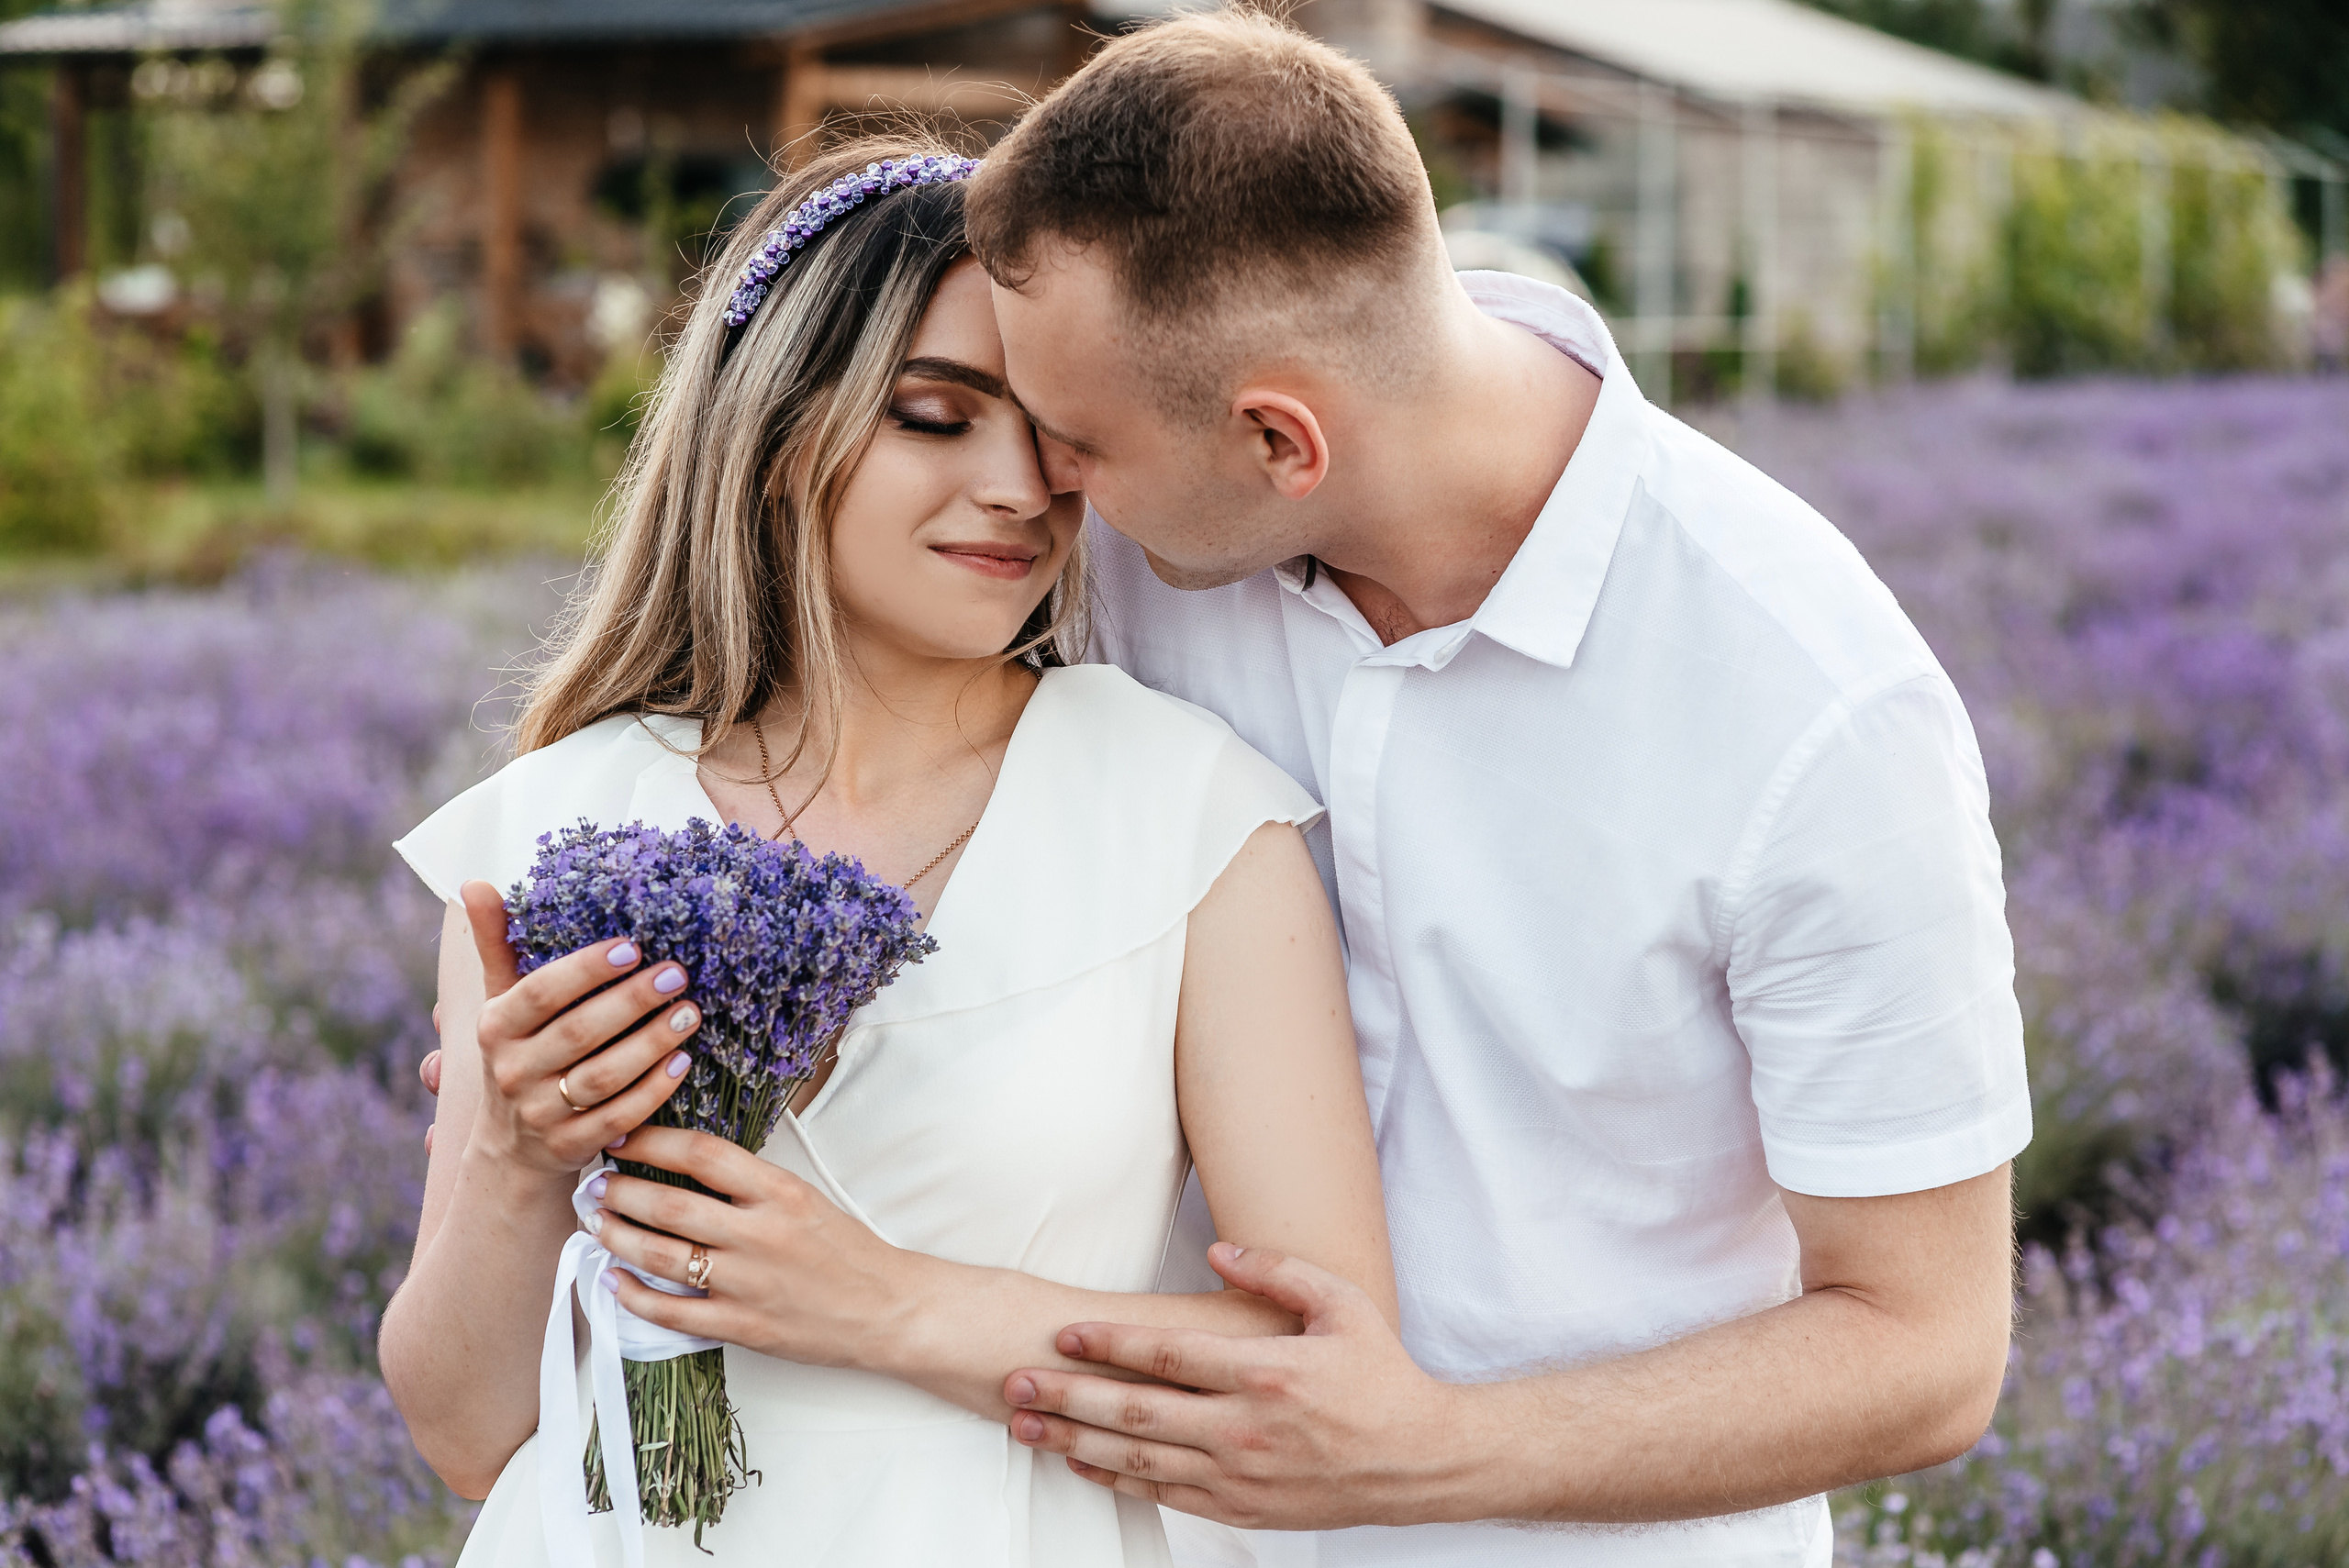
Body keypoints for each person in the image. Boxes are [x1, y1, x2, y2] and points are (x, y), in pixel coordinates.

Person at [954, 10, 2032, 1566]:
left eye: (1078, 441)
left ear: (1281, 441)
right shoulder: (1133, 559)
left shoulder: (1815, 707)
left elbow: (1928, 1346)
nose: (1044, 485)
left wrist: (1425, 1454)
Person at [378, 135, 1396, 1568]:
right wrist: (513, 1150)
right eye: (936, 416)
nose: (1021, 487)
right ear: (782, 432)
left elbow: (1322, 1372)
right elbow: (468, 1436)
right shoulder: (558, 824)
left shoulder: (1194, 819)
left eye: (1057, 432)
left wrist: (884, 1303)